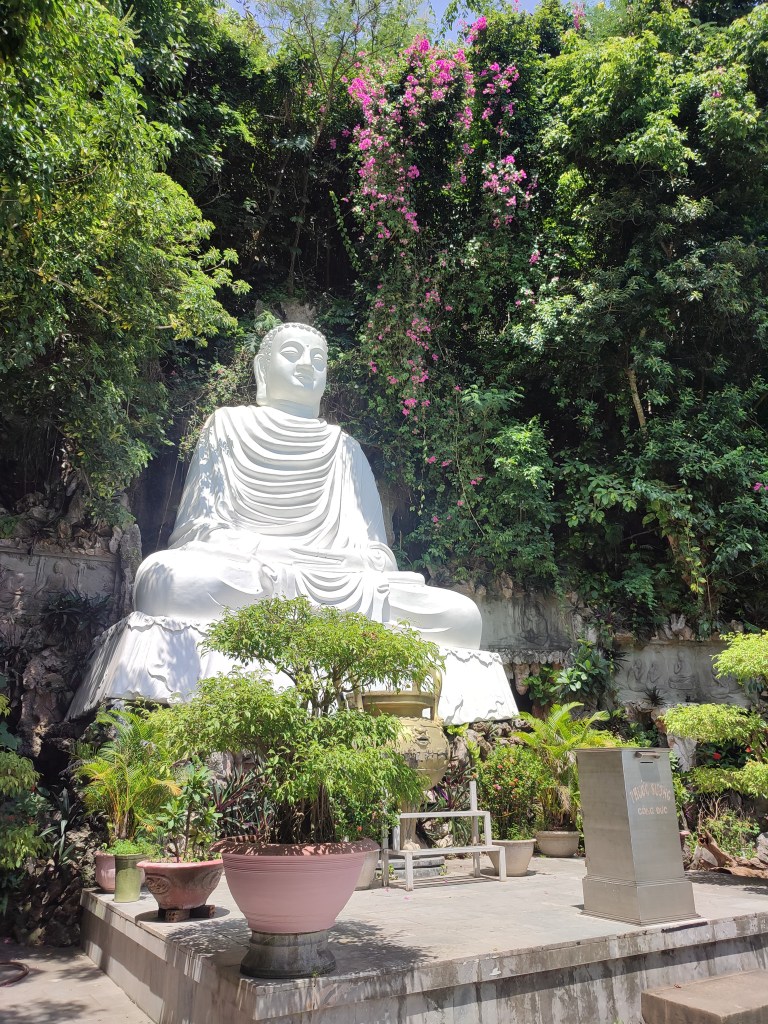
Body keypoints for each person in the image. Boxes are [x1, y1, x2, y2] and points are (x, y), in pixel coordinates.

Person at [134, 322, 483, 650]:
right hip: (254, 572)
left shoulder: (345, 448)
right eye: (291, 354)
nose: (306, 365)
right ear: (261, 369)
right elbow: (202, 529)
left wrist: (335, 561)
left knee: (463, 616)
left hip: (339, 581)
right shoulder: (226, 425)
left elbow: (378, 556)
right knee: (166, 581)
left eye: (318, 359)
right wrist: (278, 553)